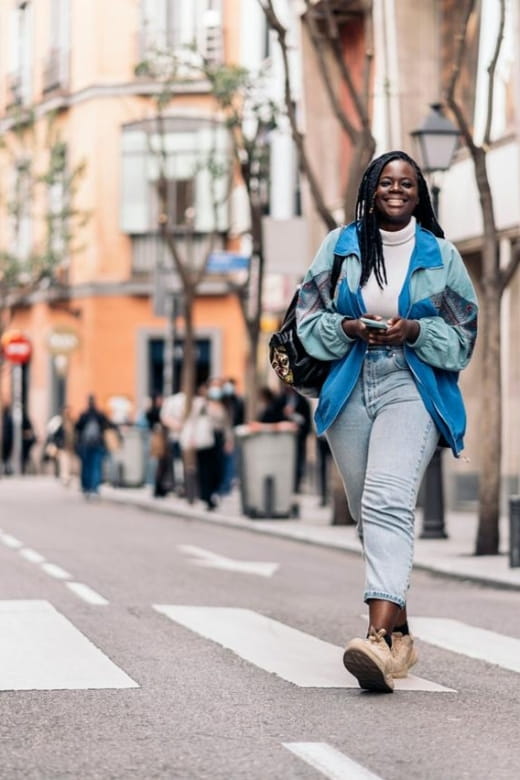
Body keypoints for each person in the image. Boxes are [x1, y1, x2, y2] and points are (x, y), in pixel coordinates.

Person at [296, 150, 478, 693]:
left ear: (420, 194)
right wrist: (349, 327)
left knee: (387, 501)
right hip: (350, 382)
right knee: (367, 511)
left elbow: (463, 336)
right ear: (371, 189)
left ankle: (376, 640)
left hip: (411, 383)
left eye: (407, 184)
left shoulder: (441, 255)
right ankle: (400, 636)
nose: (396, 190)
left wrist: (414, 332)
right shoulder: (341, 245)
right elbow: (307, 317)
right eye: (386, 182)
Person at [75, 394, 111, 497]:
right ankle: (95, 488)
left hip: (86, 445)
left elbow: (77, 428)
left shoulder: (84, 415)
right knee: (96, 466)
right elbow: (108, 426)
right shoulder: (100, 414)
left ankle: (86, 487)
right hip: (98, 444)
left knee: (86, 466)